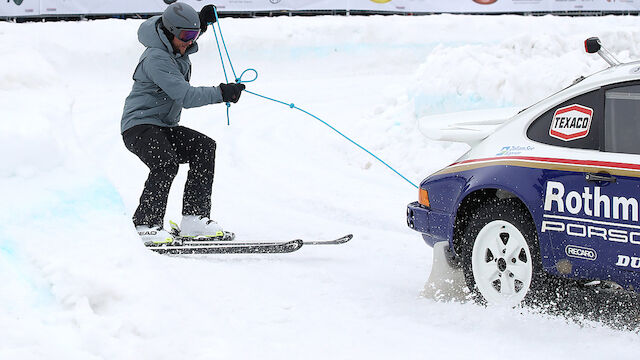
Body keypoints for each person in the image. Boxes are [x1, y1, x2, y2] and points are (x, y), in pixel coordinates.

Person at [120, 2, 245, 246]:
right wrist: (221, 93)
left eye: (194, 35)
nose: (190, 41)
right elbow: (185, 96)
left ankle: (194, 219)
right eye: (186, 35)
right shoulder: (157, 58)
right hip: (139, 127)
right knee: (165, 162)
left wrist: (201, 22)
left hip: (162, 126)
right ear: (169, 32)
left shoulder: (173, 42)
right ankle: (146, 224)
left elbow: (181, 35)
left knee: (204, 147)